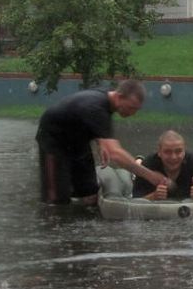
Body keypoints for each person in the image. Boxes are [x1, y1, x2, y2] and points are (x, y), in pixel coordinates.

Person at [36, 79, 167, 205]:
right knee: (56, 198)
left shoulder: (108, 98)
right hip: (54, 141)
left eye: (136, 110)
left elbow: (85, 116)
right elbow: (116, 154)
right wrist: (151, 176)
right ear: (119, 96)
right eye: (131, 107)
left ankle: (82, 223)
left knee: (89, 192)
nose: (133, 113)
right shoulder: (97, 108)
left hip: (78, 141)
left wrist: (101, 142)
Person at [132, 130, 193, 201]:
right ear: (159, 152)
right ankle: (138, 161)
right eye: (168, 152)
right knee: (137, 170)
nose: (173, 157)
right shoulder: (148, 165)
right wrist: (154, 196)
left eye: (178, 151)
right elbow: (134, 200)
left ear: (184, 151)